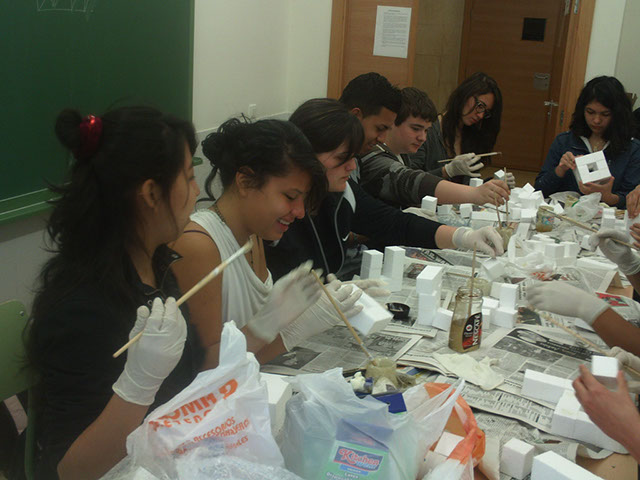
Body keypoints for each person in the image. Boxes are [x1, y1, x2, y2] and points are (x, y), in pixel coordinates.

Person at [27, 107, 204, 479]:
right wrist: (137, 387)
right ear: (151, 193)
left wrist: (271, 331)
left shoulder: (158, 265)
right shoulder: (80, 307)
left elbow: (189, 379)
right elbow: (69, 471)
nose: (197, 191)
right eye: (189, 177)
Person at [171, 118, 364, 368]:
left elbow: (251, 354)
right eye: (290, 197)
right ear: (245, 182)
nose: (299, 212)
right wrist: (289, 328)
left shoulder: (254, 235)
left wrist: (316, 310)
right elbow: (205, 369)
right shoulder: (198, 245)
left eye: (303, 199)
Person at [264, 98, 504, 280]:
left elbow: (394, 223)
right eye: (341, 158)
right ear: (306, 156)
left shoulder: (342, 191)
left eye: (353, 157)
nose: (351, 166)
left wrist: (462, 237)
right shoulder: (278, 216)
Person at [358, 86, 510, 209]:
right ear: (392, 121)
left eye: (426, 131)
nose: (423, 138)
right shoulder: (374, 155)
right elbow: (410, 181)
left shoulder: (402, 154)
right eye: (415, 129)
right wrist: (474, 193)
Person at [535, 76, 640, 208]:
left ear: (617, 114)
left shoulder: (631, 149)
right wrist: (559, 170)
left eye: (605, 114)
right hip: (564, 215)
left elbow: (631, 200)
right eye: (590, 112)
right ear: (582, 110)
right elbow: (539, 189)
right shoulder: (565, 141)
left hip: (607, 218)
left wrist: (609, 197)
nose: (596, 120)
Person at [409, 72, 511, 186]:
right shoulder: (428, 132)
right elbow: (409, 182)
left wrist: (492, 183)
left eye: (486, 112)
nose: (481, 115)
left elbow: (468, 186)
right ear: (464, 95)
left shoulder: (471, 136)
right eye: (480, 106)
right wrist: (446, 171)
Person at [338, 71, 401, 159]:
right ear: (355, 116)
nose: (382, 139)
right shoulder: (321, 153)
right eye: (380, 129)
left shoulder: (356, 153)